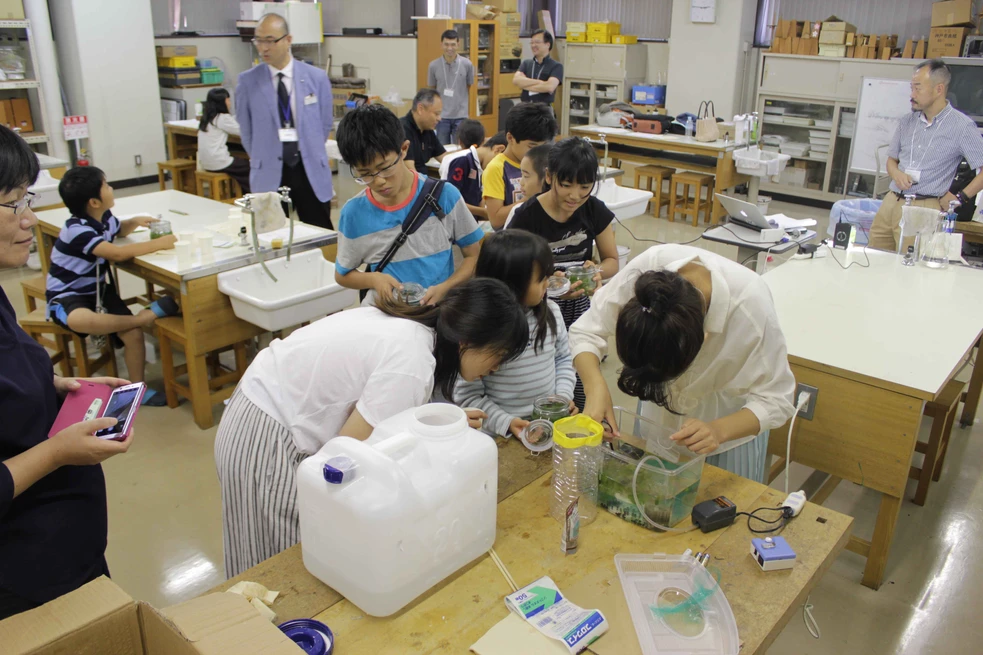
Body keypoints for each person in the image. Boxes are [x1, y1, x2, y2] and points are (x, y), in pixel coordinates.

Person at [214, 277, 529, 576]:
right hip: (266, 435)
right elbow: (343, 458)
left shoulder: (414, 332)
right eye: (498, 355)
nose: (496, 367)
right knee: (279, 568)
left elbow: (387, 417)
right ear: (467, 340)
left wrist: (442, 423)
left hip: (262, 410)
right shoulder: (412, 360)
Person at [0, 125, 133, 619]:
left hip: (65, 551)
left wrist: (54, 385)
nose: (28, 219)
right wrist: (58, 452)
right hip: (27, 578)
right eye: (14, 203)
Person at [569, 244, 797, 484]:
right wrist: (594, 386)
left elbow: (777, 399)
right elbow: (586, 331)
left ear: (704, 337)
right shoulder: (646, 274)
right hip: (656, 425)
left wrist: (718, 430)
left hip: (723, 438)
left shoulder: (751, 307)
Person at [46, 167, 180, 407]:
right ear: (94, 201)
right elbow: (117, 254)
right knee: (78, 319)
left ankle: (135, 389)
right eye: (106, 186)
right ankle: (143, 317)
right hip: (67, 294)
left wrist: (134, 222)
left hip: (97, 291)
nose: (112, 188)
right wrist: (161, 242)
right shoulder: (77, 229)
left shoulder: (104, 218)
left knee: (133, 335)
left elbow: (118, 229)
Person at [334, 104, 485, 306]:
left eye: (384, 167)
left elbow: (473, 256)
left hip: (437, 312)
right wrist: (373, 279)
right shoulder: (354, 212)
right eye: (365, 174)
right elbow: (342, 274)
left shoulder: (444, 196)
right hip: (387, 317)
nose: (378, 181)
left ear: (404, 149)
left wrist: (447, 287)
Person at [508, 137, 619, 408]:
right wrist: (548, 283)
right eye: (566, 185)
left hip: (580, 307)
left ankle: (581, 416)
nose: (575, 196)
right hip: (538, 307)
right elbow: (512, 272)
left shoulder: (593, 210)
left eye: (585, 186)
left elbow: (612, 260)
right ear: (549, 176)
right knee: (546, 372)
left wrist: (597, 270)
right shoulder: (527, 215)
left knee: (582, 371)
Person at [454, 231, 576, 439]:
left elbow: (563, 359)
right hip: (500, 434)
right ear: (512, 282)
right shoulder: (482, 329)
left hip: (548, 424)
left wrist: (561, 398)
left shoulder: (551, 314)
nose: (547, 284)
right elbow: (467, 396)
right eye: (540, 279)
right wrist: (506, 422)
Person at [868, 59, 983, 252]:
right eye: (911, 88)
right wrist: (896, 174)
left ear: (939, 89)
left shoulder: (962, 126)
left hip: (925, 206)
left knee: (909, 267)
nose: (912, 95)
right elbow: (891, 160)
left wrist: (960, 198)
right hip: (891, 201)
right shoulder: (907, 121)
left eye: (918, 88)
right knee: (874, 257)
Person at [235, 13, 334, 229]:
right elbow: (246, 131)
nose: (263, 48)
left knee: (320, 233)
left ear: (288, 39)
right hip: (269, 171)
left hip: (309, 170)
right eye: (258, 41)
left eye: (270, 40)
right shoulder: (247, 81)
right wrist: (263, 155)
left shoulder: (316, 78)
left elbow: (325, 122)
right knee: (270, 237)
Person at [483, 103, 557, 229]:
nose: (537, 153)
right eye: (532, 146)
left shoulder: (546, 161)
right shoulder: (497, 168)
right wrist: (530, 198)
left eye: (543, 146)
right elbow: (496, 220)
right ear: (510, 138)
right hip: (514, 240)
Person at [197, 88, 250, 194]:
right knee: (251, 167)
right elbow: (243, 131)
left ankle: (235, 193)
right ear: (222, 102)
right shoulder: (223, 118)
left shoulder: (207, 118)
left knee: (240, 162)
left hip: (206, 162)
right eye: (228, 100)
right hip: (219, 162)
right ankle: (250, 196)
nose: (230, 103)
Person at [427, 29, 474, 146]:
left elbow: (469, 86)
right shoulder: (433, 65)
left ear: (458, 44)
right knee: (442, 149)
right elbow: (432, 89)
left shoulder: (467, 64)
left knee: (460, 149)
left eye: (453, 44)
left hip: (461, 116)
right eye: (446, 44)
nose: (449, 48)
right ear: (441, 44)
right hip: (441, 116)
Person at [439, 119, 486, 219]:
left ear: (459, 141)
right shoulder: (461, 160)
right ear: (483, 141)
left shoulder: (477, 161)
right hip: (456, 218)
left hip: (470, 217)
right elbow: (452, 199)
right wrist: (483, 212)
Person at [504, 142, 552, 228]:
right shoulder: (520, 211)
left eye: (526, 176)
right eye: (521, 175)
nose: (521, 182)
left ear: (548, 177)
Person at [513, 29, 564, 108]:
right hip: (525, 107)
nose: (533, 45)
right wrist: (541, 83)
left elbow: (550, 87)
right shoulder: (526, 63)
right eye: (532, 43)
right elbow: (516, 80)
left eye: (537, 42)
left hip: (544, 110)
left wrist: (524, 85)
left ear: (547, 44)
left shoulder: (556, 66)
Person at [402, 89, 448, 175]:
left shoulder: (427, 129)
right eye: (436, 114)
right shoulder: (403, 129)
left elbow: (445, 158)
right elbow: (411, 172)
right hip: (413, 185)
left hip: (423, 180)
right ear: (420, 109)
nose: (439, 118)